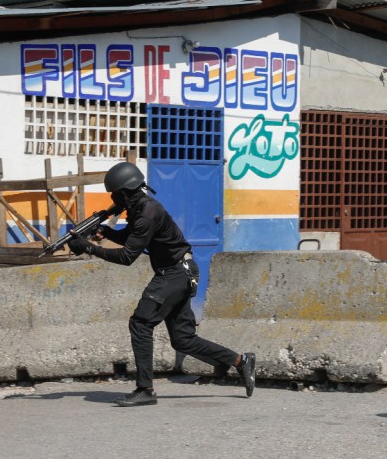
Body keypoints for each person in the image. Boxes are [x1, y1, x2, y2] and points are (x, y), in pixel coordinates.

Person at [67, 162, 256, 407]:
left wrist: (89, 248)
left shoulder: (146, 212)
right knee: (183, 340)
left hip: (175, 274)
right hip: (181, 272)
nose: (113, 199)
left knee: (141, 322)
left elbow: (127, 256)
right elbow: (131, 237)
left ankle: (145, 389)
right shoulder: (140, 210)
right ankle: (241, 361)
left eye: (115, 194)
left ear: (125, 192)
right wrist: (105, 232)